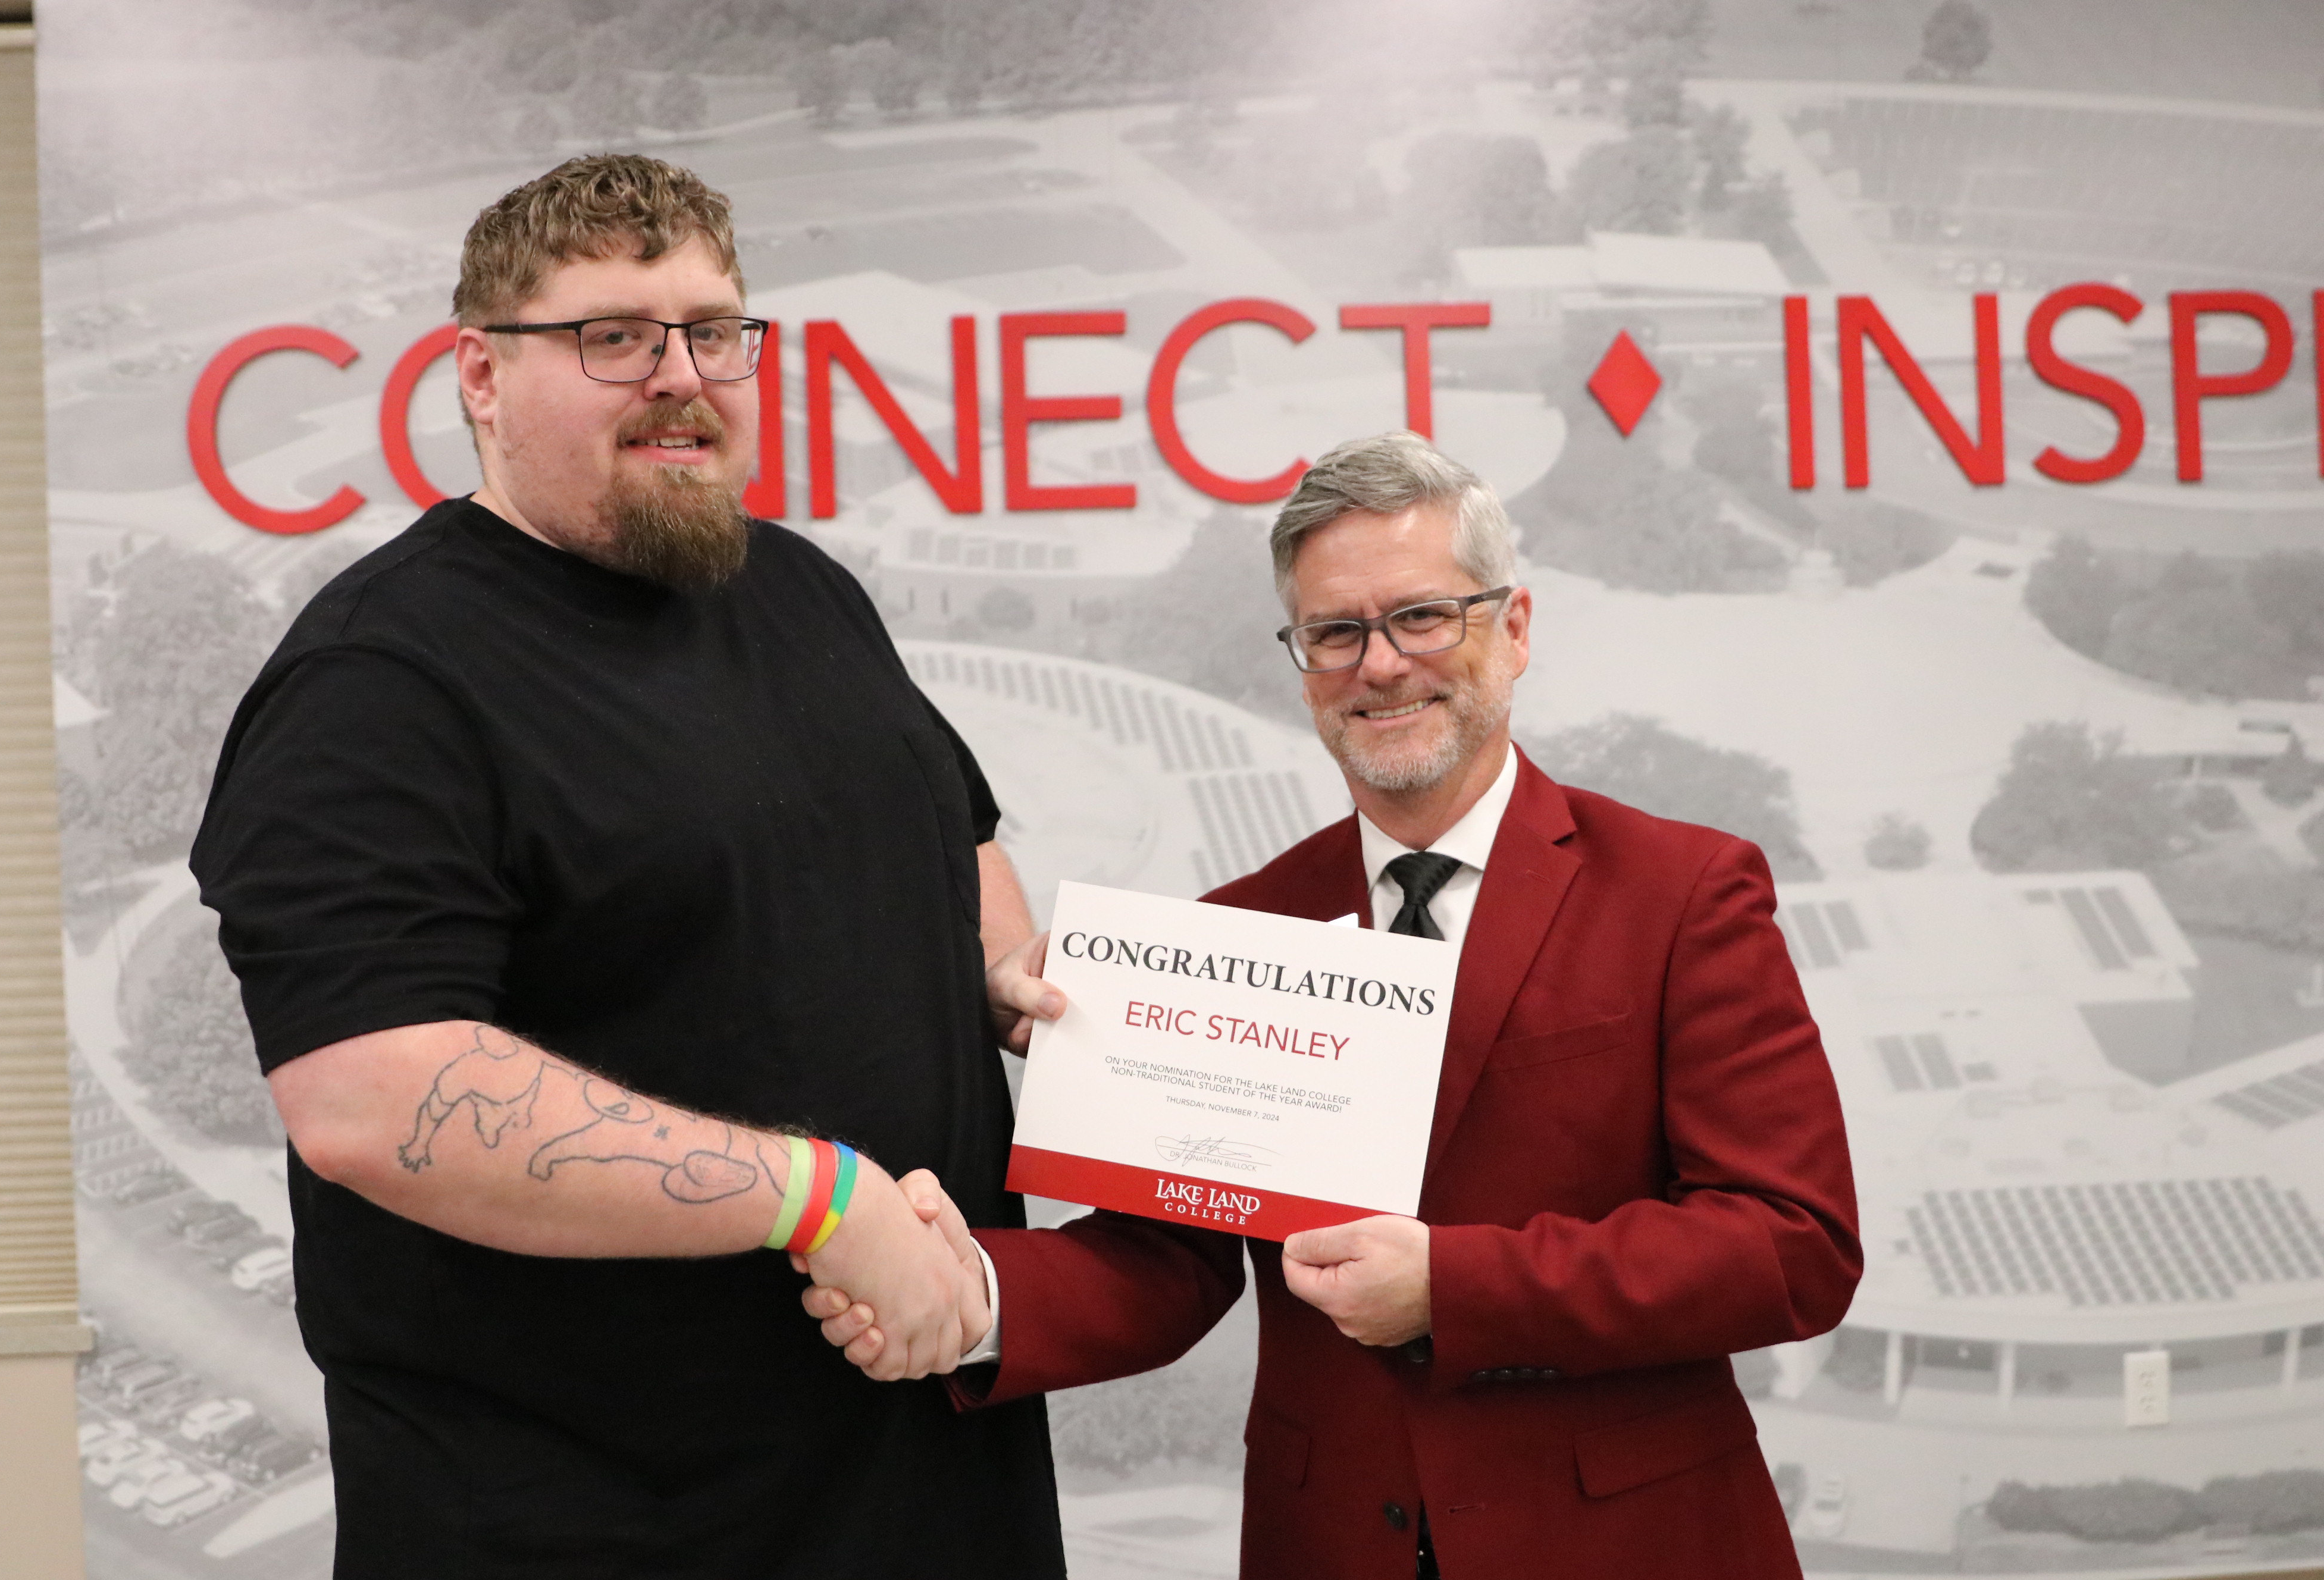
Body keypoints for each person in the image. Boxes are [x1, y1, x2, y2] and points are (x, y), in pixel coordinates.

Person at [190, 155, 1056, 1579]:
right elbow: (368, 1093)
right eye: (613, 336)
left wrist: (1001, 976)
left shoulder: (800, 588)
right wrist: (818, 1198)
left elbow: (950, 844)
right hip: (599, 1524)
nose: (681, 374)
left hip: (924, 1485)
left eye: (714, 331)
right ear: (479, 373)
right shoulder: (383, 677)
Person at [810, 432, 1863, 1579]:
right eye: (1335, 633)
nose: (1381, 664)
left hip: (1630, 1544)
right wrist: (972, 1294)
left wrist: (1453, 1289)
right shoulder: (1236, 928)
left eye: (1423, 617)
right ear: (1301, 659)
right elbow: (1171, 1261)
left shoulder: (1682, 892)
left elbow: (1791, 1244)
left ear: (1512, 630)